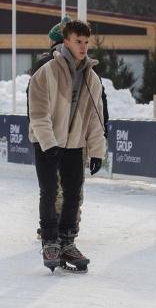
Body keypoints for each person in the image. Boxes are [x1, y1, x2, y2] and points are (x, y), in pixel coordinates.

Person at [28, 20, 106, 273]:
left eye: (86, 42)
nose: (83, 47)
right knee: (49, 191)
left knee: (73, 192)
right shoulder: (46, 73)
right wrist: (49, 145)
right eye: (77, 42)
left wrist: (96, 151)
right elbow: (38, 115)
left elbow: (95, 118)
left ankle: (67, 240)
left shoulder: (91, 78)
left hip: (74, 144)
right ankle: (50, 240)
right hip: (46, 142)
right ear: (66, 42)